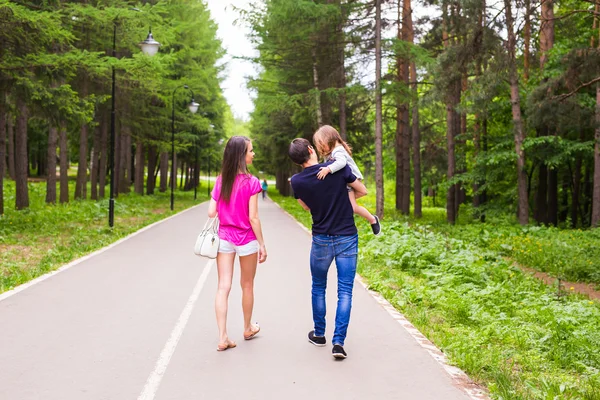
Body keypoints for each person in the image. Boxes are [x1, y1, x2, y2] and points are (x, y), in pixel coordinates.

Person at [288, 137, 368, 360]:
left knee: (318, 286)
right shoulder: (337, 168)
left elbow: (305, 206)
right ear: (311, 150)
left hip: (321, 239)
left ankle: (319, 334)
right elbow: (362, 190)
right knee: (345, 291)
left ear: (297, 161)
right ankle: (339, 342)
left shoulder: (296, 181)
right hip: (347, 237)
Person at [208, 136, 267, 352]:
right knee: (247, 285)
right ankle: (247, 327)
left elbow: (211, 212)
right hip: (247, 240)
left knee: (223, 286)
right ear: (241, 155)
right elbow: (253, 217)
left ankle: (223, 337)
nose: (253, 154)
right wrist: (262, 244)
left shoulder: (222, 179)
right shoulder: (252, 182)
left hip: (224, 238)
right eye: (251, 151)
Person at [312, 125, 381, 235]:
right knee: (348, 206)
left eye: (322, 145)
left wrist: (328, 169)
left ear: (329, 139)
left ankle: (372, 219)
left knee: (353, 207)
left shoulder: (338, 151)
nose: (321, 149)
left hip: (351, 181)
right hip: (345, 183)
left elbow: (341, 163)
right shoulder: (331, 152)